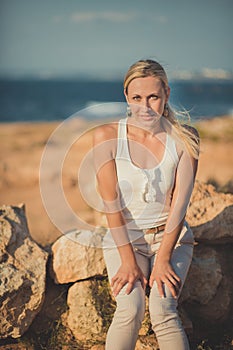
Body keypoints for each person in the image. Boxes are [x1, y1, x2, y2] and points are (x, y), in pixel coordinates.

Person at [93, 59, 199, 350]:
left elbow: (180, 205)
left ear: (166, 93)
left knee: (163, 311)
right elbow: (111, 206)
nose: (145, 106)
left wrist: (164, 257)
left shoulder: (185, 139)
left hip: (172, 240)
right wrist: (127, 260)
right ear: (126, 96)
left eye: (153, 97)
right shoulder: (105, 137)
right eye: (137, 97)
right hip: (124, 239)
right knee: (130, 308)